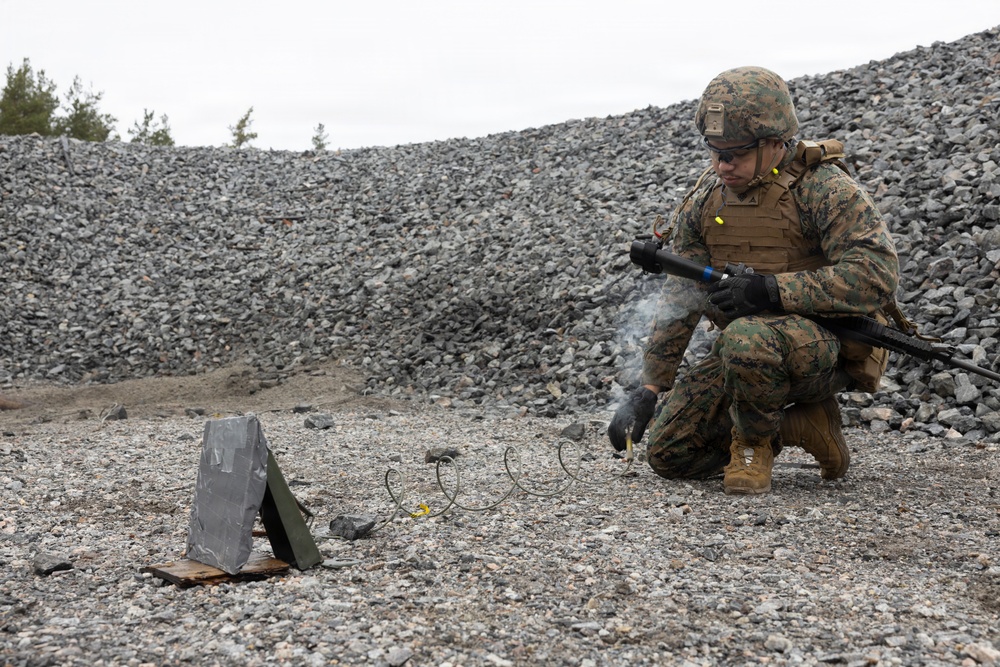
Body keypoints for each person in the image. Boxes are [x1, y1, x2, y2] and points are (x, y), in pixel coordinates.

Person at [608, 66, 899, 495]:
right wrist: (649, 388)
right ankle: (804, 424)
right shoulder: (707, 199)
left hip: (828, 345)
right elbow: (681, 292)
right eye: (715, 152)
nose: (723, 165)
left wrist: (772, 290)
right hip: (744, 354)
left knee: (747, 337)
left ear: (776, 143)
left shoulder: (824, 189)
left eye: (737, 154)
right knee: (671, 454)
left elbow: (876, 273)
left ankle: (754, 446)